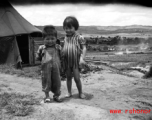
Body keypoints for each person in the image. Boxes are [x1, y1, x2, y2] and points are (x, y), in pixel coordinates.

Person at [62, 16, 87, 99]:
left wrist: (82, 58)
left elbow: (84, 48)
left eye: (70, 28)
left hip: (76, 62)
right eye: (66, 28)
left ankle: (80, 92)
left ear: (75, 27)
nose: (68, 30)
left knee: (77, 78)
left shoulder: (79, 37)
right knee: (68, 77)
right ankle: (69, 92)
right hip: (67, 61)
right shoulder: (65, 37)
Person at [36, 25, 62, 103]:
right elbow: (38, 57)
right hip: (45, 69)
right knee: (46, 80)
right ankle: (47, 96)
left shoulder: (58, 47)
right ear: (43, 39)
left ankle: (56, 96)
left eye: (52, 39)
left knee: (57, 82)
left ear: (56, 39)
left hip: (56, 68)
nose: (50, 41)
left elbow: (62, 57)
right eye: (47, 39)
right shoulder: (41, 48)